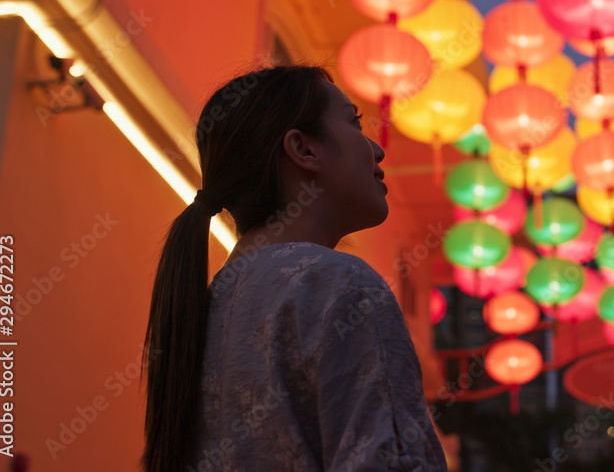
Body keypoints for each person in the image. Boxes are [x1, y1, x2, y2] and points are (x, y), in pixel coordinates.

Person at [141, 65, 447, 471]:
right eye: (354, 123)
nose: (377, 148)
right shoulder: (340, 284)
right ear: (303, 150)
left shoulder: (206, 305)